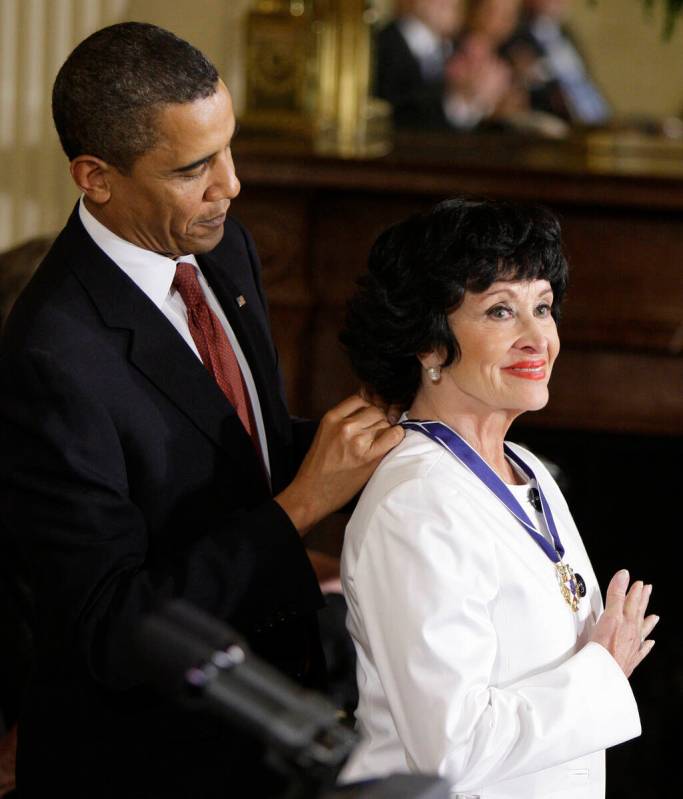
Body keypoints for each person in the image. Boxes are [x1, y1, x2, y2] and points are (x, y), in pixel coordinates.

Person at [0, 22, 403, 799]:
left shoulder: (219, 244)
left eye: (228, 147)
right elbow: (112, 627)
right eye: (194, 168)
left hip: (265, 731)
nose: (232, 184)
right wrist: (300, 507)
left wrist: (364, 436)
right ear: (96, 177)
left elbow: (229, 454)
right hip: (142, 765)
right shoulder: (49, 357)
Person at [338, 198, 658, 797]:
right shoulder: (418, 503)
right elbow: (451, 748)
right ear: (429, 344)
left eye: (542, 307)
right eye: (500, 311)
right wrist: (603, 672)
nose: (538, 337)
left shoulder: (526, 468)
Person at [375, 0, 511, 131]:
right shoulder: (380, 47)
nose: (454, 2)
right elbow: (395, 117)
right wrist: (459, 100)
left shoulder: (457, 49)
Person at [501, 0, 610, 125]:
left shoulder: (566, 33)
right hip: (555, 123)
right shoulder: (515, 36)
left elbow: (585, 81)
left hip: (597, 116)